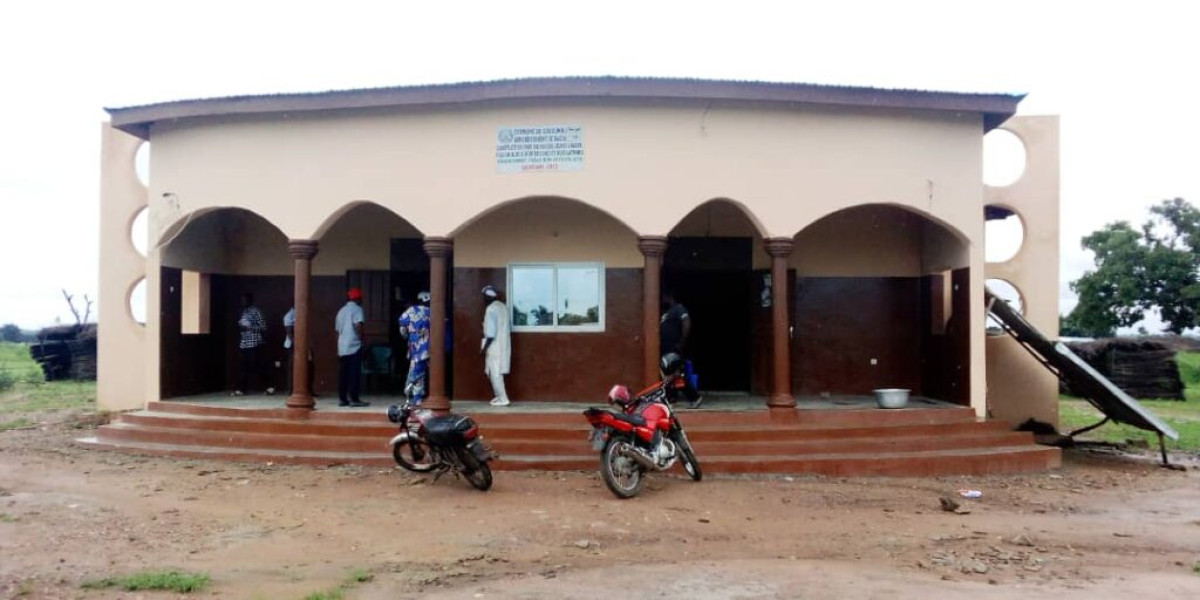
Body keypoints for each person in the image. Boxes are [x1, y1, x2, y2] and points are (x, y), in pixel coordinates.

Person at [661, 290, 701, 408]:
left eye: (664, 297)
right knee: (668, 375)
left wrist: (682, 341)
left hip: (674, 348)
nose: (662, 300)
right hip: (666, 349)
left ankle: (694, 397)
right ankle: (672, 399)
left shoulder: (679, 309)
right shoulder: (666, 312)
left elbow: (686, 323)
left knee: (677, 375)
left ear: (670, 297)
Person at [234, 293, 273, 396]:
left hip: (255, 343)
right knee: (243, 367)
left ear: (249, 300)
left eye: (244, 300)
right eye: (241, 300)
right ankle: (242, 389)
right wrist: (241, 327)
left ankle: (269, 387)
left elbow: (263, 327)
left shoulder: (256, 311)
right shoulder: (243, 312)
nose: (242, 302)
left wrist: (250, 328)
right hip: (244, 343)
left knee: (258, 365)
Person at [335, 287, 369, 407]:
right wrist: (363, 339)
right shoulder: (358, 309)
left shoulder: (341, 311)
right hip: (354, 345)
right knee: (354, 373)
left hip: (342, 346)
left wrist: (338, 346)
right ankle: (354, 399)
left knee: (343, 373)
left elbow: (337, 331)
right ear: (358, 299)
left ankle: (342, 399)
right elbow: (358, 325)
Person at [398, 291, 432, 405]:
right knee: (428, 372)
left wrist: (410, 337)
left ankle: (415, 397)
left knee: (416, 371)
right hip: (430, 347)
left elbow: (403, 330)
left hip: (415, 348)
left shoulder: (409, 311)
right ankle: (422, 396)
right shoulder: (431, 311)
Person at [480, 285, 511, 406]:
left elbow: (490, 333)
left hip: (494, 346)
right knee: (495, 371)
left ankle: (503, 398)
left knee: (495, 373)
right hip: (503, 344)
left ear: (488, 297)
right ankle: (499, 396)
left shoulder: (491, 309)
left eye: (484, 297)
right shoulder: (503, 307)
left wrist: (484, 349)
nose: (483, 299)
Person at [283, 307, 314, 396]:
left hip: (306, 344)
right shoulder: (289, 315)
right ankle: (291, 390)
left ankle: (309, 390)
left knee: (310, 366)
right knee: (292, 368)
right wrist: (298, 346)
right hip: (293, 346)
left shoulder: (305, 312)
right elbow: (289, 333)